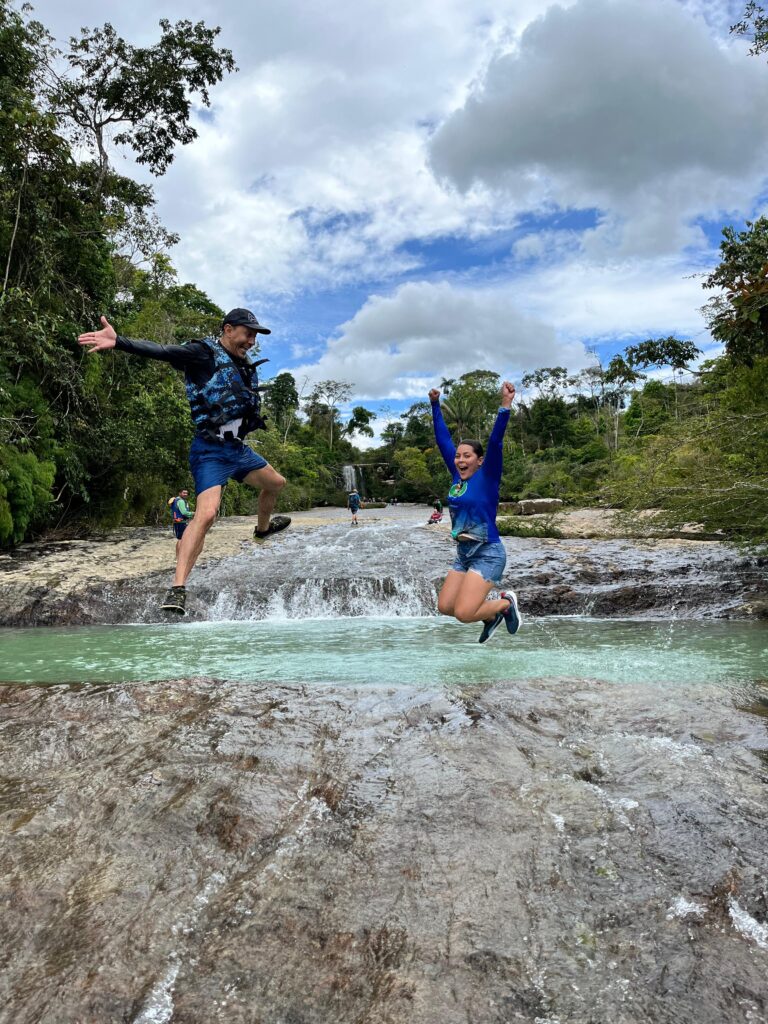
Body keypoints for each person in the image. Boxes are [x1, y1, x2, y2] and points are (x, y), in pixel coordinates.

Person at [78, 308, 290, 616]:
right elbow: (162, 351)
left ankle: (261, 531)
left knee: (276, 483)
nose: (252, 341)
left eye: (255, 336)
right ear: (228, 330)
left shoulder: (241, 364)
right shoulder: (202, 353)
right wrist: (119, 341)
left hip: (237, 449)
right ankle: (177, 589)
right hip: (210, 450)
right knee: (206, 514)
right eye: (248, 333)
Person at [429, 380, 521, 643]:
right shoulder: (457, 479)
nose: (460, 460)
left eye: (467, 456)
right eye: (458, 456)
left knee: (463, 612)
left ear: (479, 460)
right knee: (445, 607)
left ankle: (504, 604)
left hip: (488, 553)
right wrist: (435, 405)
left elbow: (495, 441)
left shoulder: (488, 477)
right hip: (464, 555)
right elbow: (442, 439)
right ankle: (490, 617)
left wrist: (505, 405)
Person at [168, 488, 194, 558]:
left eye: (186, 493)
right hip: (181, 523)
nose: (185, 494)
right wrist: (194, 513)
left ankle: (178, 556)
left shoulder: (175, 500)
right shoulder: (181, 501)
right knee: (181, 540)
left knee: (180, 539)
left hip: (177, 522)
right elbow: (184, 512)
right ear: (180, 493)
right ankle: (180, 557)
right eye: (184, 493)